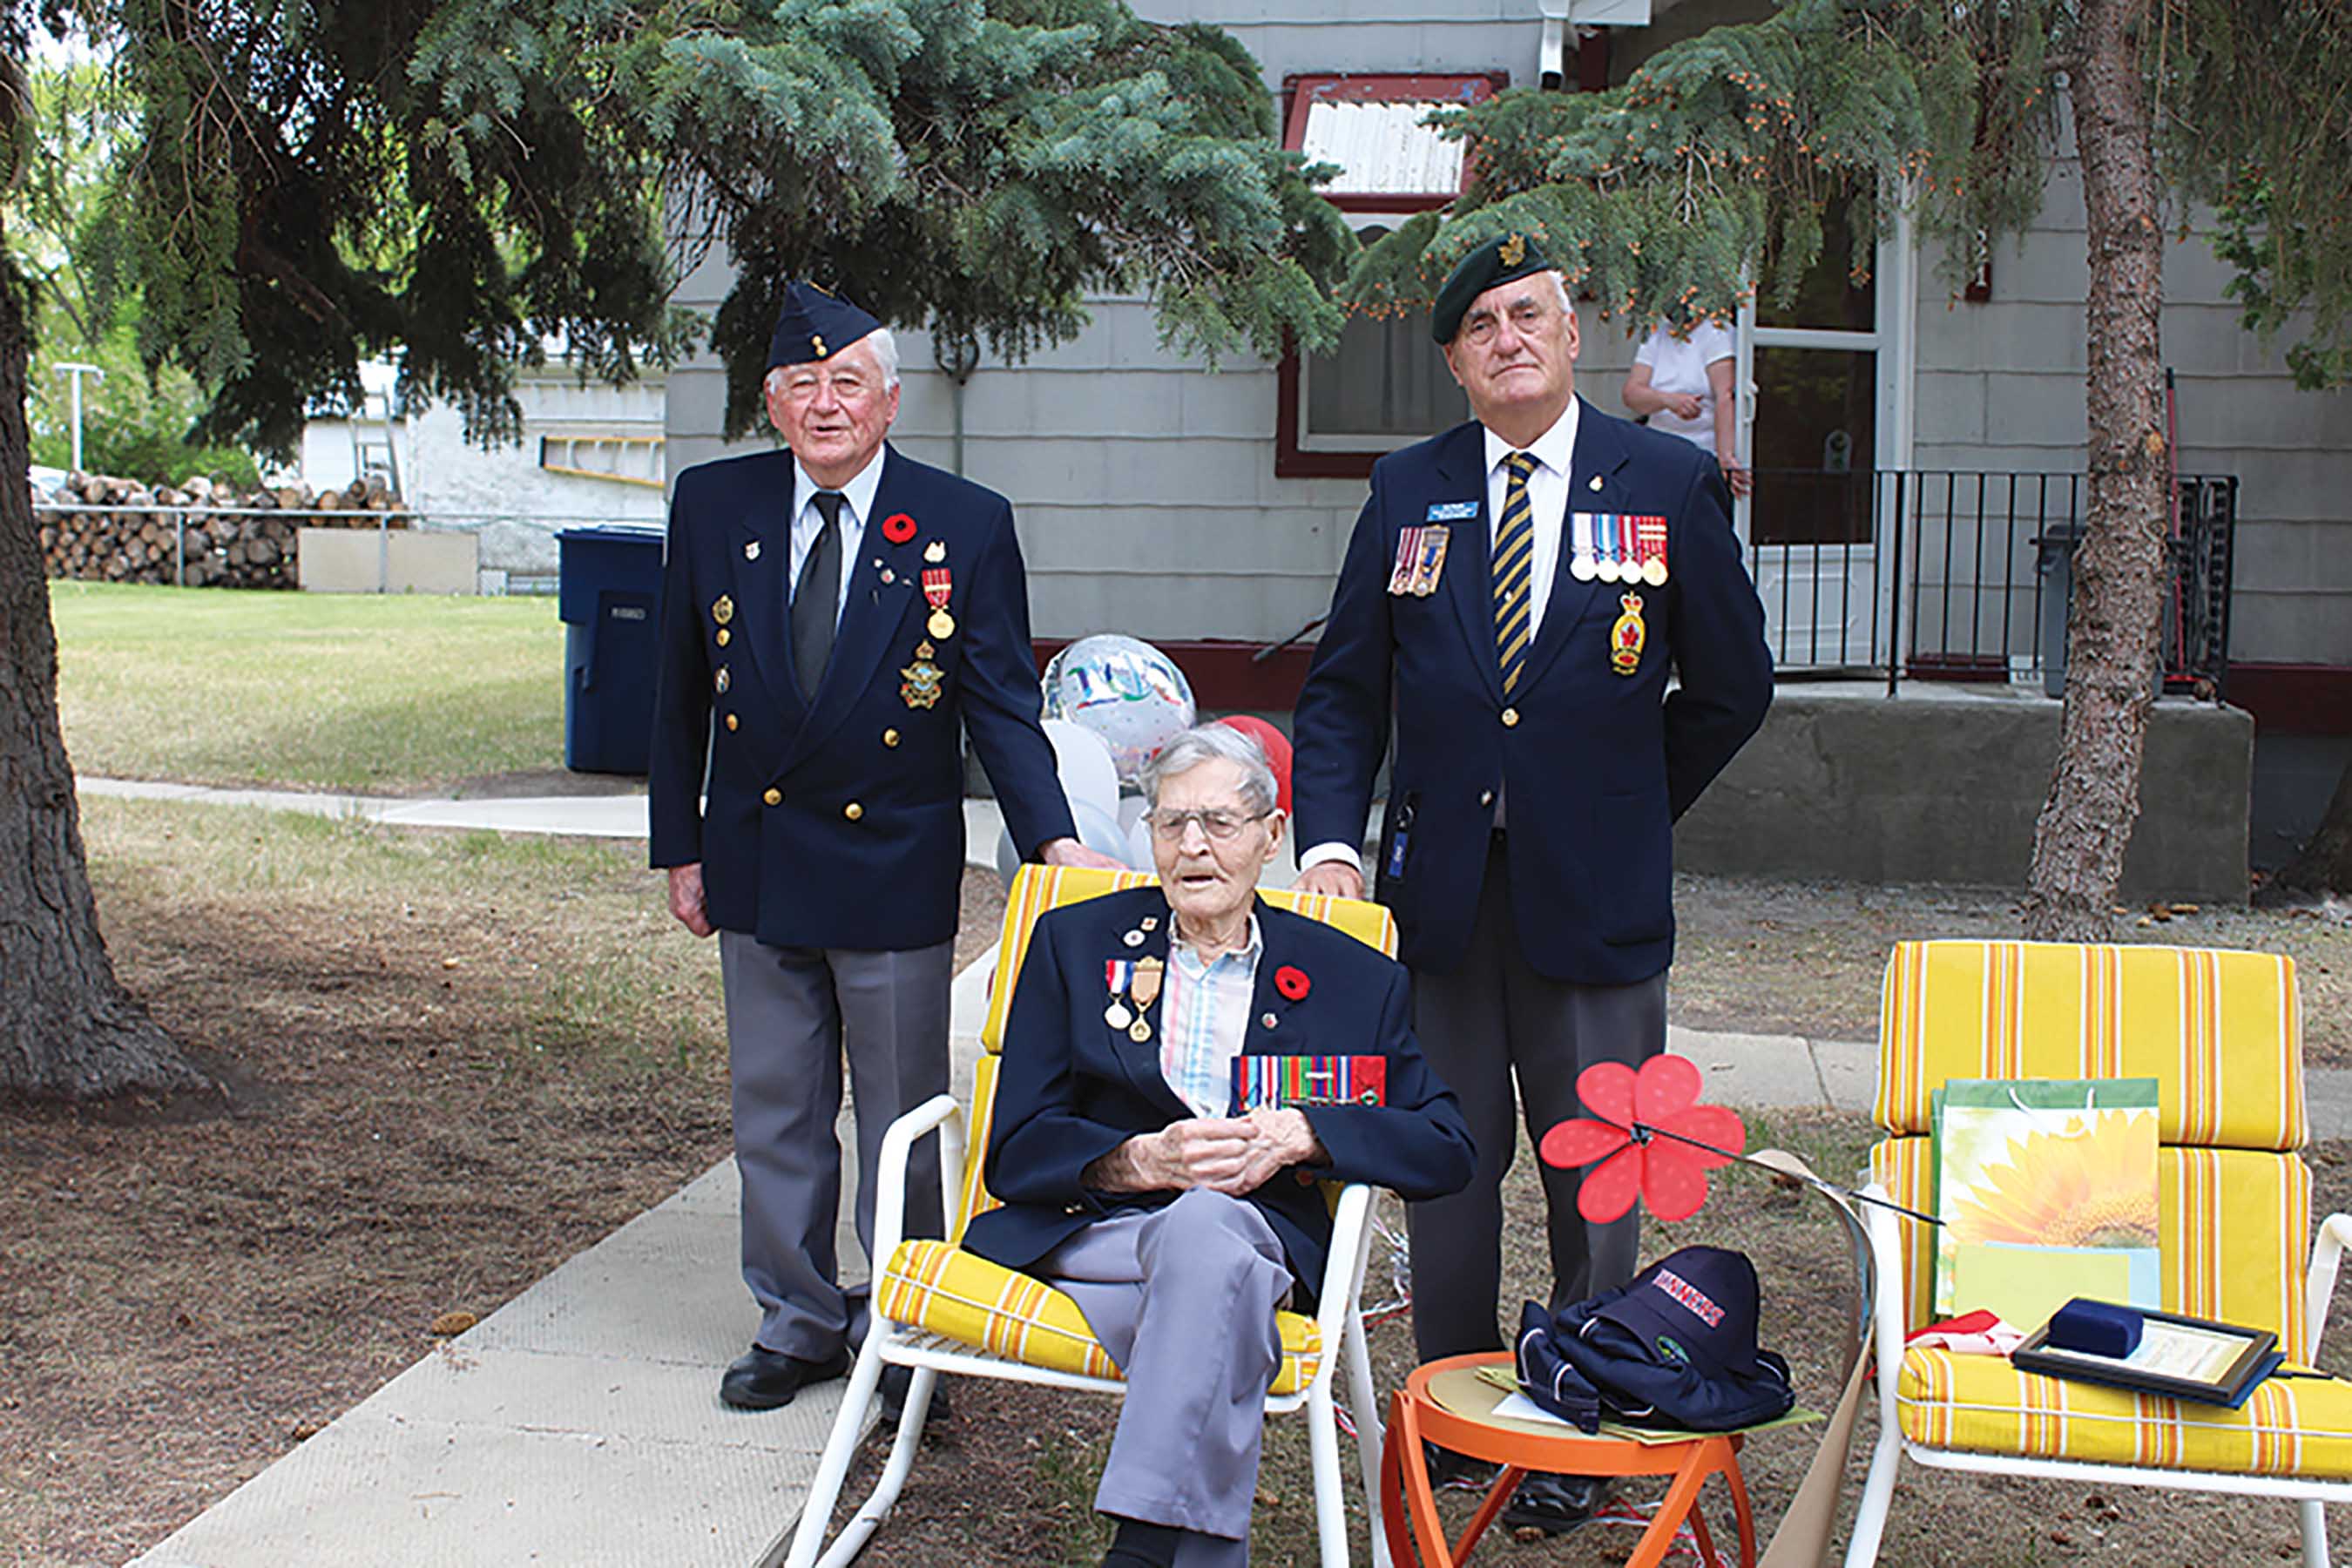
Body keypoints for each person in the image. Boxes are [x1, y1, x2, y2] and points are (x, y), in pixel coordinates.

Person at [1288, 234, 1773, 1530]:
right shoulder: (1409, 489)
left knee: (1595, 1176)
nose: (1507, 338)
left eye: (1529, 315)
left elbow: (1733, 687)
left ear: (1571, 337)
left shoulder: (1664, 480)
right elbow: (1343, 692)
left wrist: (1625, 808)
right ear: (1455, 361)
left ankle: (1575, 1423)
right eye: (1480, 327)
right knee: (1446, 1169)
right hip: (1436, 903)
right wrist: (1330, 839)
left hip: (1593, 905)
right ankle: (1450, 1415)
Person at [649, 280, 1119, 1413]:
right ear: (770, 402)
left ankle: (907, 1332)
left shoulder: (963, 522)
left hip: (891, 864)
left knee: (903, 1117)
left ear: (890, 402)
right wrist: (680, 844)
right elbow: (675, 696)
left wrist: (1053, 838)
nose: (825, 403)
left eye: (847, 382)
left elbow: (1000, 704)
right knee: (775, 1104)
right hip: (755, 856)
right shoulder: (714, 507)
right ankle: (799, 1317)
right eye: (802, 383)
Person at [964, 725, 1475, 1568]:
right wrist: (1139, 1160)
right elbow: (1015, 1147)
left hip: (1251, 1240)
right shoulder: (1076, 943)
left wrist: (1308, 1131)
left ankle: (1143, 1548)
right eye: (1170, 824)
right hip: (1097, 1239)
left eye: (1219, 823)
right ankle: (1170, 1547)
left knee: (1209, 1239)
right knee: (1214, 1267)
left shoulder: (1352, 977)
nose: (1192, 846)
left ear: (1272, 837)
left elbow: (1447, 1144)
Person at [1622, 317, 1750, 498]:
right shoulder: (1657, 333)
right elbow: (1632, 394)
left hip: (1702, 454)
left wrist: (1725, 459)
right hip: (1657, 451)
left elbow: (1726, 396)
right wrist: (1669, 401)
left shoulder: (1717, 331)